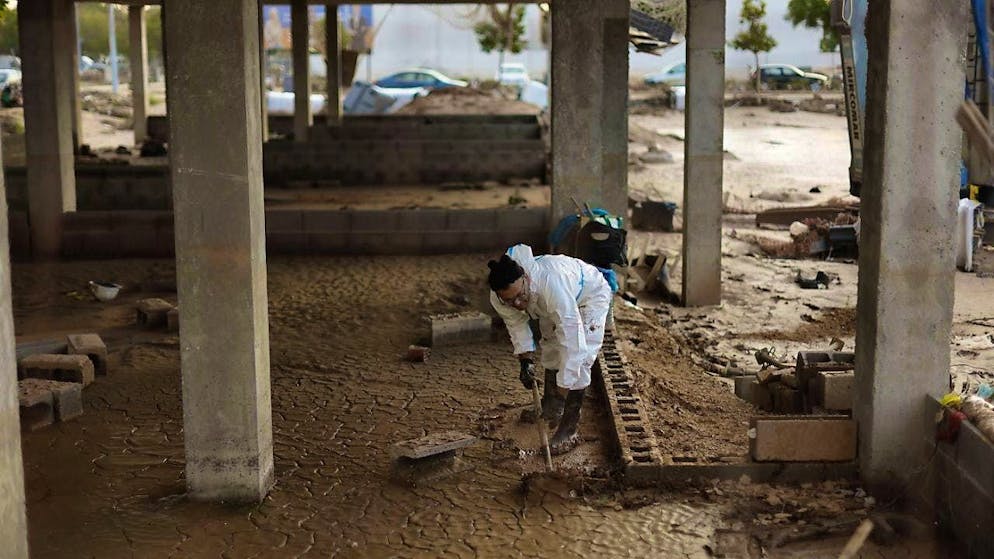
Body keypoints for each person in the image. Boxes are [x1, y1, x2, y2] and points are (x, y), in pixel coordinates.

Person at [487, 244, 612, 455]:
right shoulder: (499, 298)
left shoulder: (550, 284)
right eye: (510, 300)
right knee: (551, 347)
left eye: (520, 295)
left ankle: (569, 428)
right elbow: (517, 326)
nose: (517, 303)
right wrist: (525, 361)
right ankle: (552, 407)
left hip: (589, 296)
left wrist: (564, 389)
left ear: (526, 279)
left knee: (580, 359)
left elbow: (574, 345)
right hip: (551, 303)